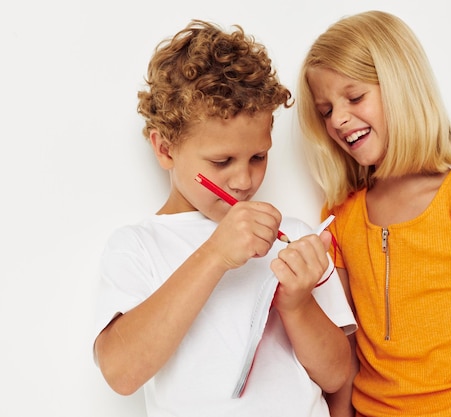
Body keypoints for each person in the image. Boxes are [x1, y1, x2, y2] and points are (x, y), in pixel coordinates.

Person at [92, 19, 356, 417]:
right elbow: (121, 373)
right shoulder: (137, 247)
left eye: (258, 157)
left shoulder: (297, 239)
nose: (244, 180)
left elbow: (338, 377)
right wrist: (215, 254)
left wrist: (298, 303)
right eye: (221, 161)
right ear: (165, 150)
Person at [296, 10, 451, 417]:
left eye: (354, 97)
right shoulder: (340, 216)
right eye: (325, 110)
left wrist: (436, 351)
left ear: (401, 87)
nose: (338, 119)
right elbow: (350, 340)